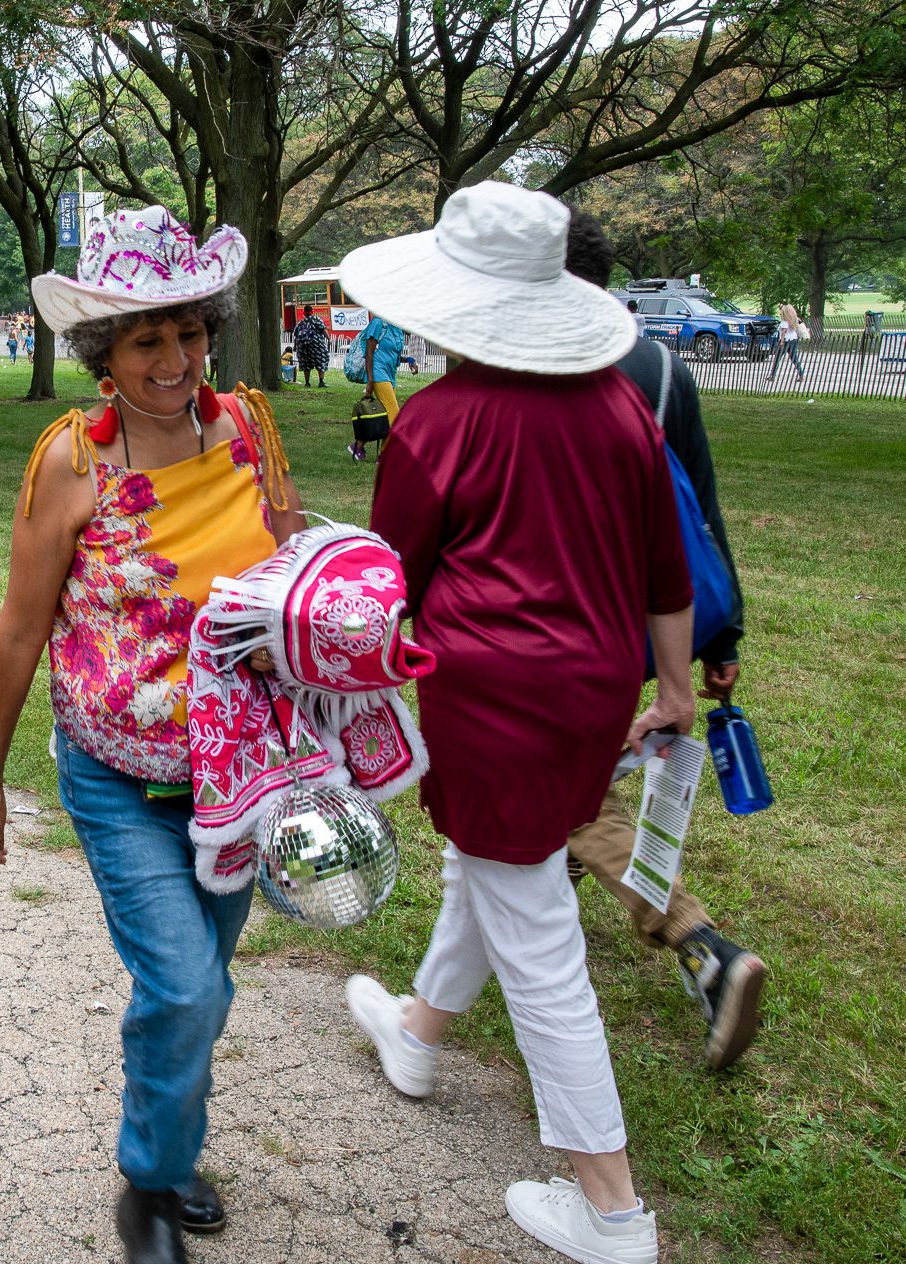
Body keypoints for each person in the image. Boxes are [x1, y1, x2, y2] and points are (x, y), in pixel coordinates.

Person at [340, 183, 692, 1264]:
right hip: (592, 693)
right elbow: (664, 568)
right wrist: (673, 688)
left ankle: (612, 1209)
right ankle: (416, 1033)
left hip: (487, 698)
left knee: (535, 934)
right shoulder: (623, 409)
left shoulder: (437, 422)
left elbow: (388, 578)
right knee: (500, 870)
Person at [0, 205, 304, 1264]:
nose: (176, 358)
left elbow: (288, 569)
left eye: (190, 331)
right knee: (185, 985)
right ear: (100, 354)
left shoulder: (246, 427)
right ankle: (149, 1187)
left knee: (200, 986)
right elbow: (22, 623)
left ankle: (170, 1142)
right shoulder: (72, 461)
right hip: (117, 779)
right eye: (146, 340)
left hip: (235, 777)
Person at [563, 213, 764, 1070]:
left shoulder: (518, 366)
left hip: (559, 625)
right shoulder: (659, 364)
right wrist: (724, 633)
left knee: (567, 802)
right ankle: (532, 916)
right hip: (654, 621)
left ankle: (700, 944)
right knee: (571, 791)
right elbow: (699, 509)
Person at [348, 312, 405, 461]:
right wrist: (371, 380)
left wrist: (409, 360)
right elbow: (369, 352)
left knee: (384, 416)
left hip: (390, 374)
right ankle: (385, 457)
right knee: (394, 414)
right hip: (378, 373)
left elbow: (392, 353)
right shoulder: (379, 323)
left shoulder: (398, 328)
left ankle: (358, 446)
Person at [292, 303, 330, 386]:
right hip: (316, 345)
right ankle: (321, 382)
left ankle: (307, 383)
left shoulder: (300, 323)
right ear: (312, 311)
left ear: (304, 313)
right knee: (321, 361)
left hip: (303, 347)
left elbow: (296, 335)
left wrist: (295, 347)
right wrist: (329, 339)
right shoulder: (316, 319)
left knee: (306, 364)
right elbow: (323, 330)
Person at [770, 301, 805, 384]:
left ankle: (772, 375)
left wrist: (781, 341)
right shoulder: (795, 319)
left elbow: (783, 332)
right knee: (794, 358)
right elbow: (801, 325)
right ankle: (801, 374)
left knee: (777, 358)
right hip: (794, 339)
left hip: (785, 341)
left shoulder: (784, 321)